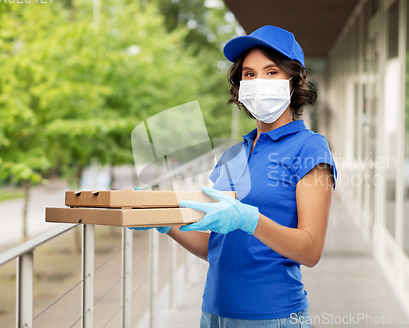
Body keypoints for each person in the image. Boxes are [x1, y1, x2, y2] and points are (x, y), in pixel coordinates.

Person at [133, 25, 337, 327]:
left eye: (271, 72)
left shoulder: (310, 148)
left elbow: (310, 250)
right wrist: (164, 220)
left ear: (294, 81)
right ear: (240, 85)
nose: (258, 82)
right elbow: (215, 247)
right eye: (250, 74)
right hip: (214, 312)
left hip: (274, 316)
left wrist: (249, 219)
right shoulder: (234, 154)